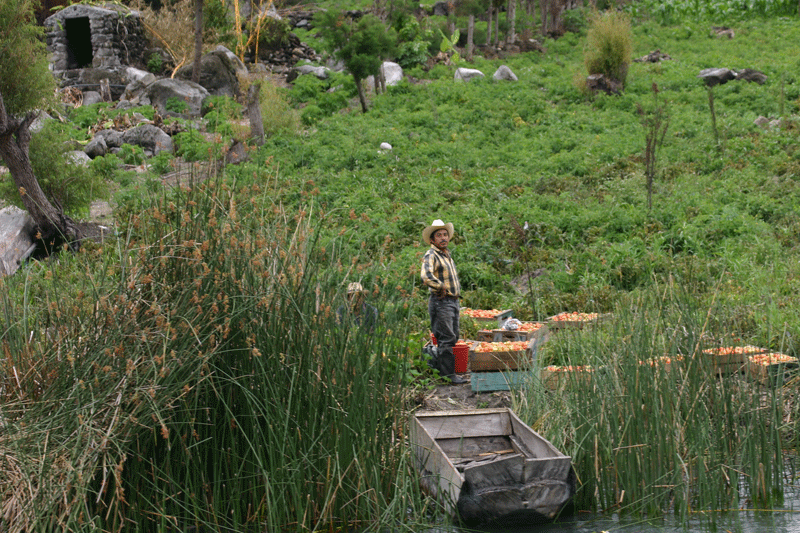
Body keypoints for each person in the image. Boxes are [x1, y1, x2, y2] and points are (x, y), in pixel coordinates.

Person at [420, 219, 466, 385]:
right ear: (432, 240)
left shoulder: (446, 255)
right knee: (446, 338)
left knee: (453, 336)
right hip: (441, 301)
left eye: (445, 234)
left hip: (452, 301)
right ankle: (448, 375)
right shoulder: (431, 254)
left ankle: (444, 371)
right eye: (439, 235)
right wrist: (440, 286)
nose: (443, 238)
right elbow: (426, 276)